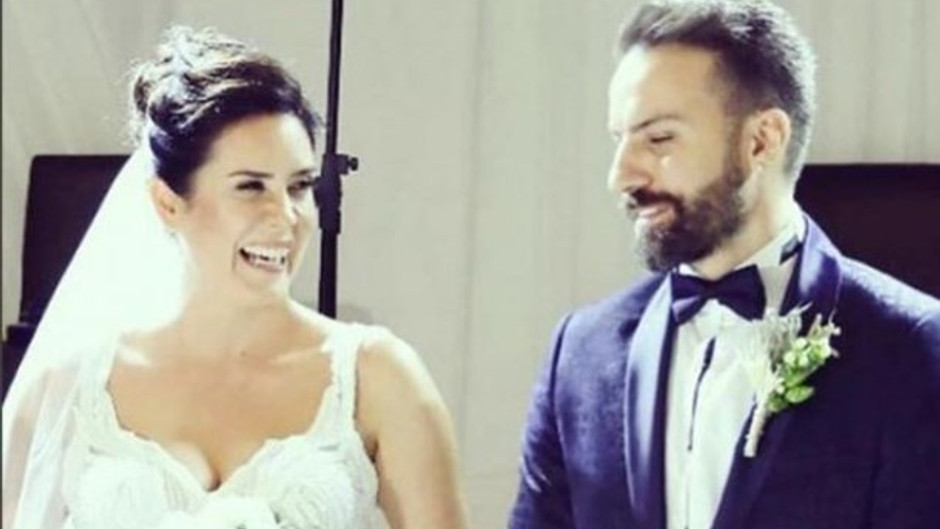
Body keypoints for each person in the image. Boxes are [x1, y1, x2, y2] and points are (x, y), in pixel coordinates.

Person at [2, 26, 468, 529]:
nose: (286, 217)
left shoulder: (379, 378)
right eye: (251, 187)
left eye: (299, 186)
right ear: (167, 203)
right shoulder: (65, 389)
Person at [509, 1, 940, 528]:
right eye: (620, 140)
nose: (621, 176)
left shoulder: (909, 348)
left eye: (659, 138)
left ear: (762, 140)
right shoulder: (579, 353)